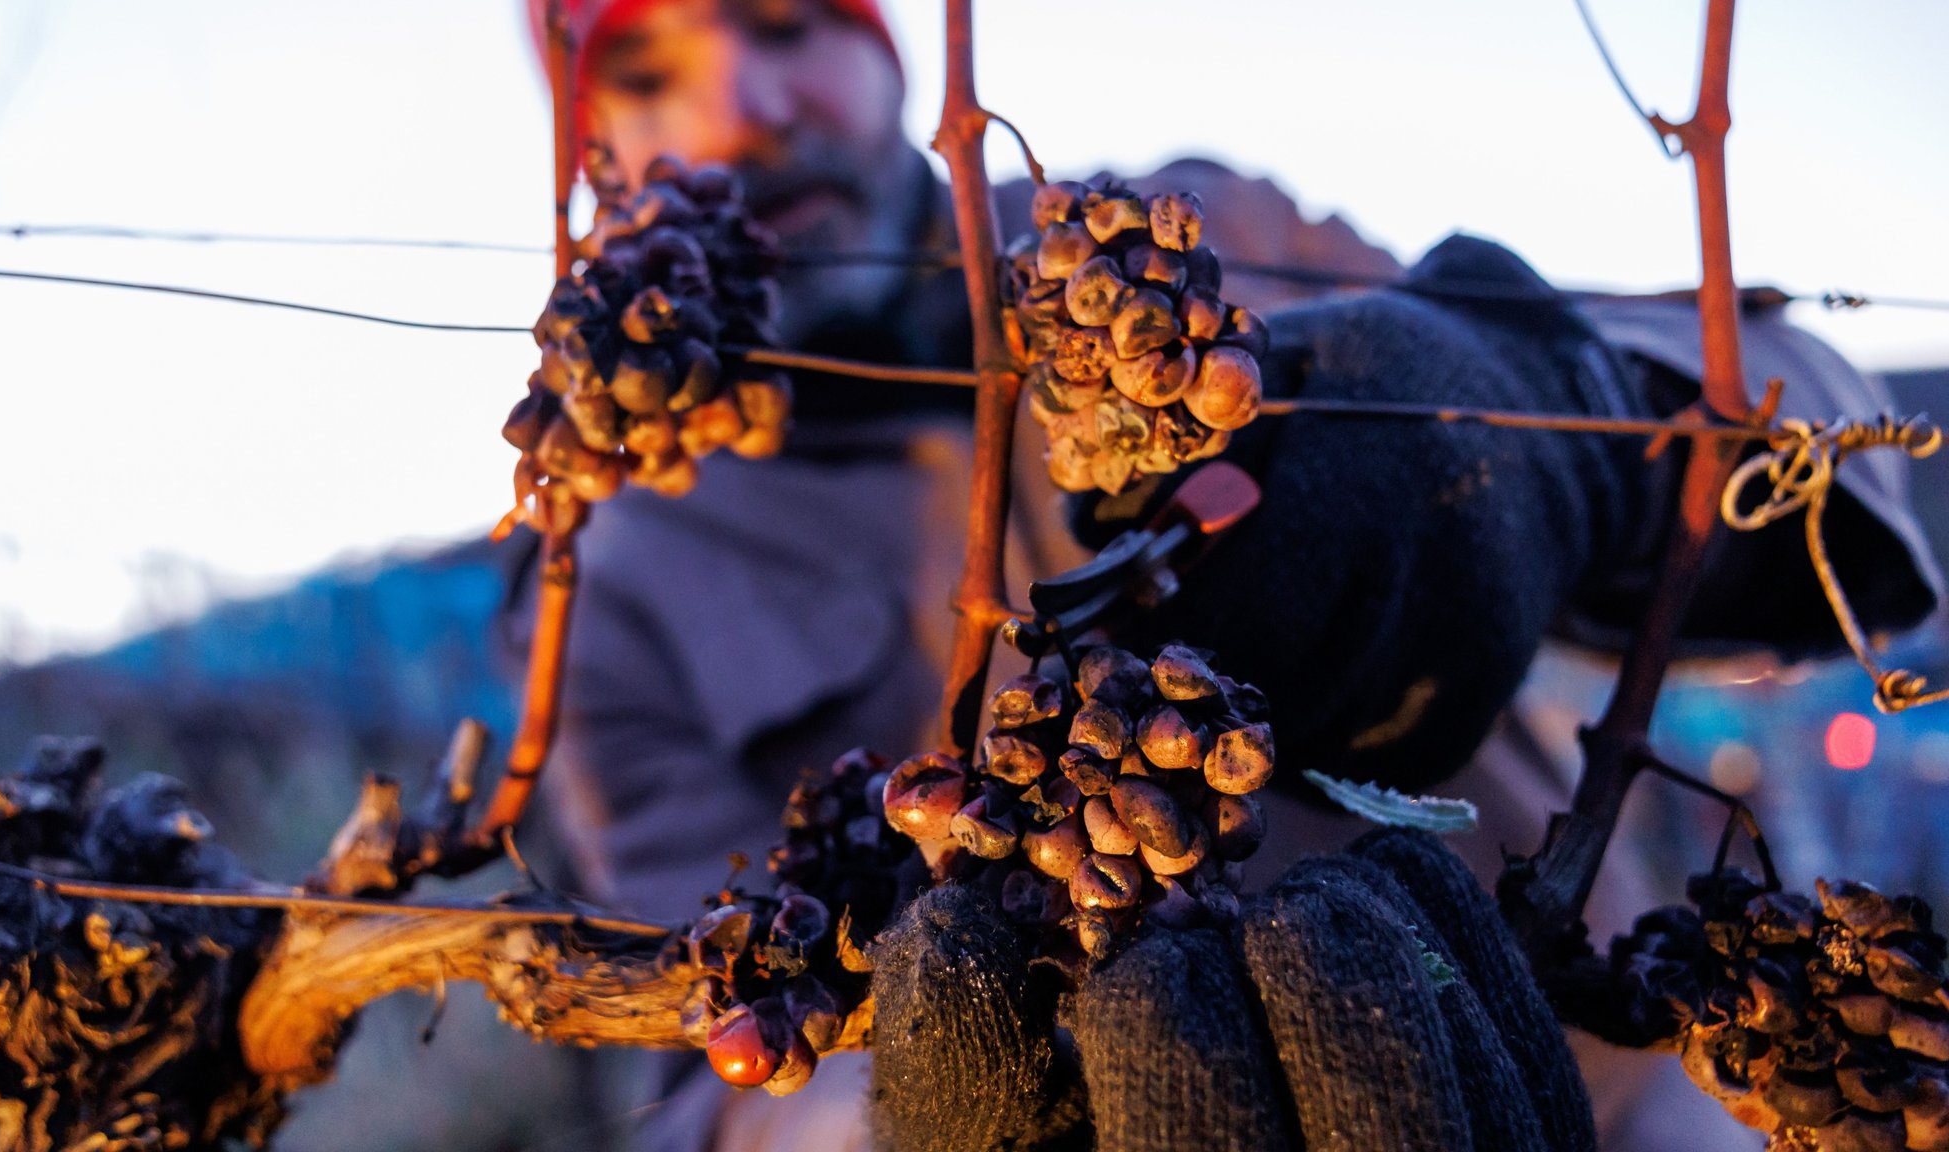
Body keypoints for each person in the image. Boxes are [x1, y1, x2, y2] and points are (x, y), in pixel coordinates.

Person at [522, 2, 1943, 1149]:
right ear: (587, 152)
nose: (749, 110)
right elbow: (706, 1058)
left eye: (783, 25)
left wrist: (1542, 426)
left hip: (1622, 1102)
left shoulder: (1179, 250)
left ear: (888, 49)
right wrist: (900, 1128)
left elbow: (1792, 392)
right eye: (645, 71)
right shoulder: (611, 576)